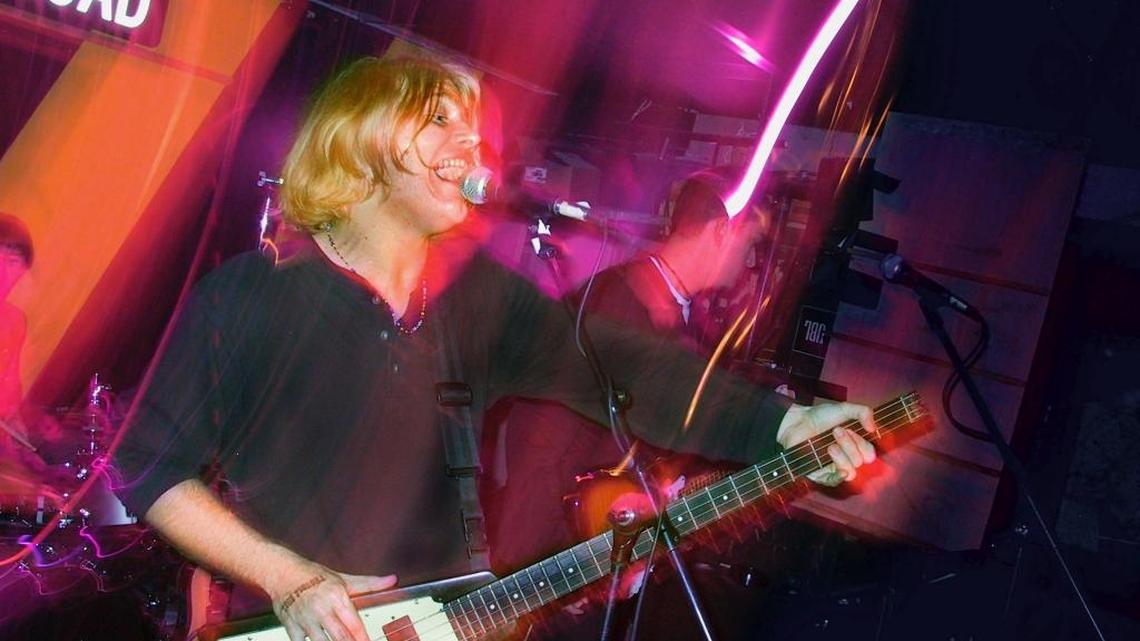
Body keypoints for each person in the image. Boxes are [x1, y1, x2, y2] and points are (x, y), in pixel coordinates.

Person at [111, 56, 877, 641]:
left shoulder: (473, 298)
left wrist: (780, 424)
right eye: (439, 118)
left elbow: (623, 367)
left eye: (469, 123)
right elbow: (145, 464)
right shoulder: (252, 294)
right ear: (363, 143)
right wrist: (288, 577)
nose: (468, 141)